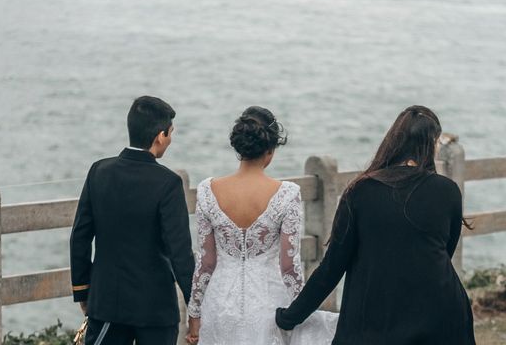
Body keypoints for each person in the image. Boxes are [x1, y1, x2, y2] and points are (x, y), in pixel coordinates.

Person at [276, 105, 476, 345]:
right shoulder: (448, 191)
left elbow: (332, 267)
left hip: (376, 319)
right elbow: (444, 252)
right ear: (430, 143)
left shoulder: (360, 191)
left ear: (394, 141)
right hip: (442, 314)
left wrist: (290, 317)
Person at [186, 106, 337, 345]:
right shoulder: (287, 194)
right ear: (270, 150)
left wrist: (194, 312)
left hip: (219, 304)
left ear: (238, 147)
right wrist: (302, 310)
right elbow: (289, 266)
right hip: (268, 304)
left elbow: (206, 263)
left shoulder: (207, 191)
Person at [70, 96, 195, 345]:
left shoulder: (99, 171)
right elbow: (180, 253)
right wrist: (195, 306)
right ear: (160, 136)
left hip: (106, 305)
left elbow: (80, 237)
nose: (170, 140)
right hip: (156, 309)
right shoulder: (168, 183)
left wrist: (83, 291)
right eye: (170, 133)